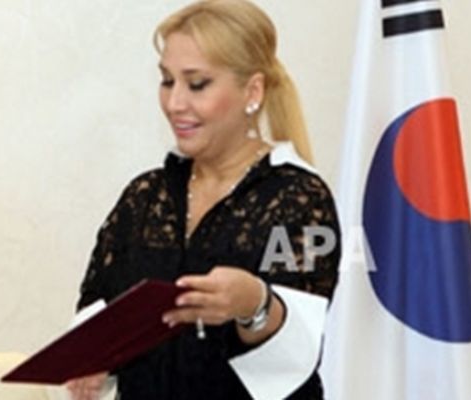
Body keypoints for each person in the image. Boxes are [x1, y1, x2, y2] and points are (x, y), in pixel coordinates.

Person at [66, 0, 340, 399]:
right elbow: (97, 311)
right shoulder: (144, 197)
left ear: (253, 91)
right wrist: (92, 361)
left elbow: (300, 348)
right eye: (167, 81)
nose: (175, 103)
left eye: (196, 84)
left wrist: (255, 302)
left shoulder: (301, 198)